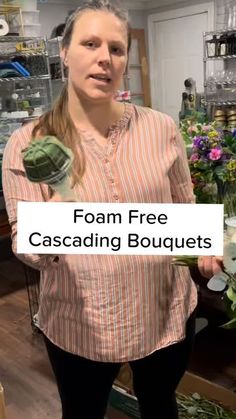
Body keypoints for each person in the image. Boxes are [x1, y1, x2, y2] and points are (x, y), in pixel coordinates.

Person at [2, 1, 222, 418]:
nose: (105, 57)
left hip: (165, 313)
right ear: (64, 52)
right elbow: (28, 250)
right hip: (81, 326)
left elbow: (184, 205)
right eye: (90, 43)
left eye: (117, 48)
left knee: (160, 405)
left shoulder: (161, 128)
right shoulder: (30, 143)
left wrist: (205, 252)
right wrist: (62, 210)